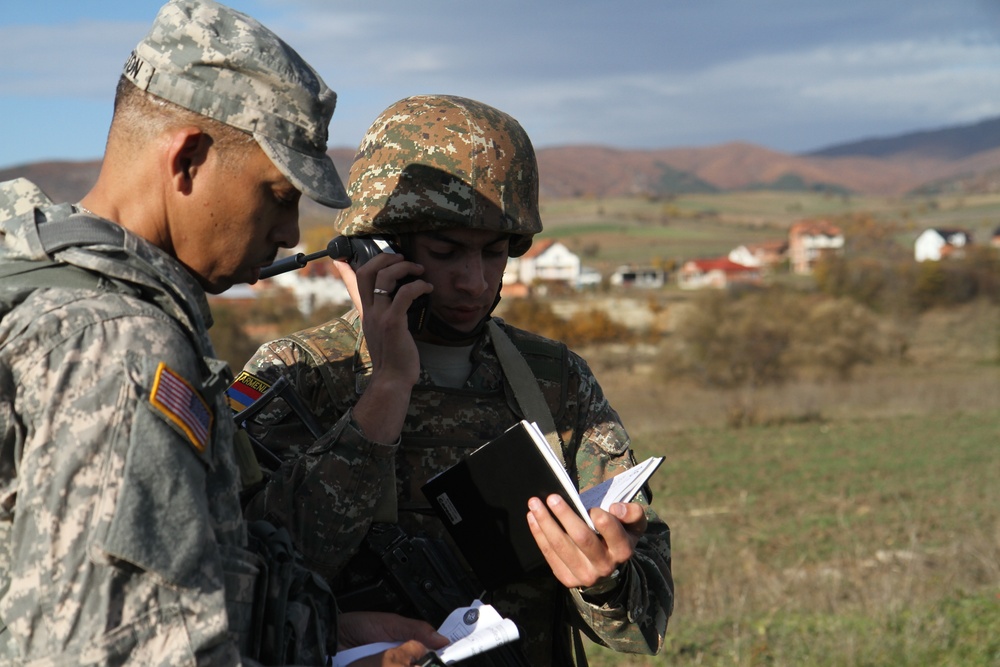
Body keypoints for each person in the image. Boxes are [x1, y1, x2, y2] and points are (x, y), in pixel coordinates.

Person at [0, 2, 443, 665]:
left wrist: (326, 630)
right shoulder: (119, 346)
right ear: (187, 159)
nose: (290, 233)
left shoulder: (37, 268)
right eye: (278, 194)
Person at [233, 94, 674, 666]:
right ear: (380, 248)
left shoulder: (554, 380)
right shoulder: (296, 376)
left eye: (495, 254)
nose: (474, 281)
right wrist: (387, 391)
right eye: (446, 252)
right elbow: (246, 584)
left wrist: (604, 583)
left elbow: (643, 629)